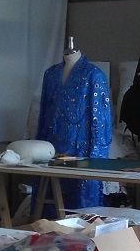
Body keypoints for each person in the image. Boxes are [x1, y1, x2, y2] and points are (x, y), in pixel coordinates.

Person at [36, 38, 111, 211]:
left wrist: (95, 163)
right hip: (51, 150)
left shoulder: (94, 75)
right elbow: (44, 116)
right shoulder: (50, 74)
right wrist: (38, 154)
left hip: (81, 151)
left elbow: (101, 123)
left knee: (80, 207)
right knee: (48, 205)